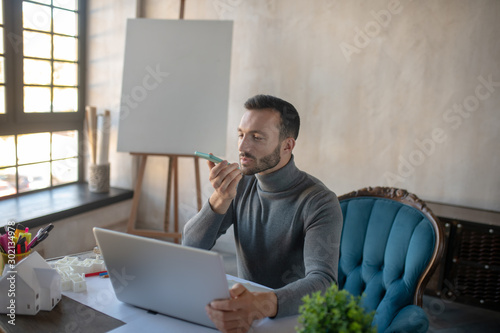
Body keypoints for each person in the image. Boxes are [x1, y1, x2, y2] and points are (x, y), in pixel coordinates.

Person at [183, 94, 343, 333]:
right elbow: (191, 247)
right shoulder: (243, 183)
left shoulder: (319, 201)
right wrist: (220, 198)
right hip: (245, 316)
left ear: (287, 146)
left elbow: (323, 282)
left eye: (256, 137)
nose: (242, 147)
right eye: (241, 134)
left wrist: (260, 304)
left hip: (295, 321)